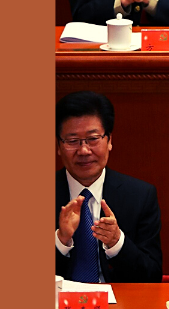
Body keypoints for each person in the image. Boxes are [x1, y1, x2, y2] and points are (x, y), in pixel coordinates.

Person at [56, 91, 162, 282]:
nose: (84, 150)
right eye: (72, 141)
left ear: (109, 140)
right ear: (58, 146)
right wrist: (60, 241)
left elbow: (152, 276)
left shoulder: (139, 196)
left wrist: (117, 242)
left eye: (93, 139)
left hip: (118, 300)